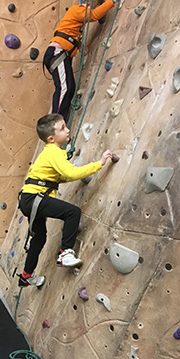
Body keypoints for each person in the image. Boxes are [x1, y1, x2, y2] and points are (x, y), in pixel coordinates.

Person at [18, 113, 114, 287]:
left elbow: (63, 177)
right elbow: (71, 173)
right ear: (51, 138)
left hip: (30, 198)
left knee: (39, 239)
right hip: (34, 198)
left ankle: (26, 276)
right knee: (72, 212)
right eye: (62, 128)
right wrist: (99, 163)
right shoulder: (53, 151)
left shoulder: (53, 152)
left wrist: (90, 170)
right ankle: (65, 253)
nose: (68, 129)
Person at [43, 0, 127, 121]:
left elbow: (68, 33)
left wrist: (81, 47)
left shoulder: (75, 21)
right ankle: (55, 124)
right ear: (88, 5)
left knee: (70, 88)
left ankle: (61, 123)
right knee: (64, 88)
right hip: (57, 54)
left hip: (61, 56)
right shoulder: (77, 9)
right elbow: (94, 15)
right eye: (90, 9)